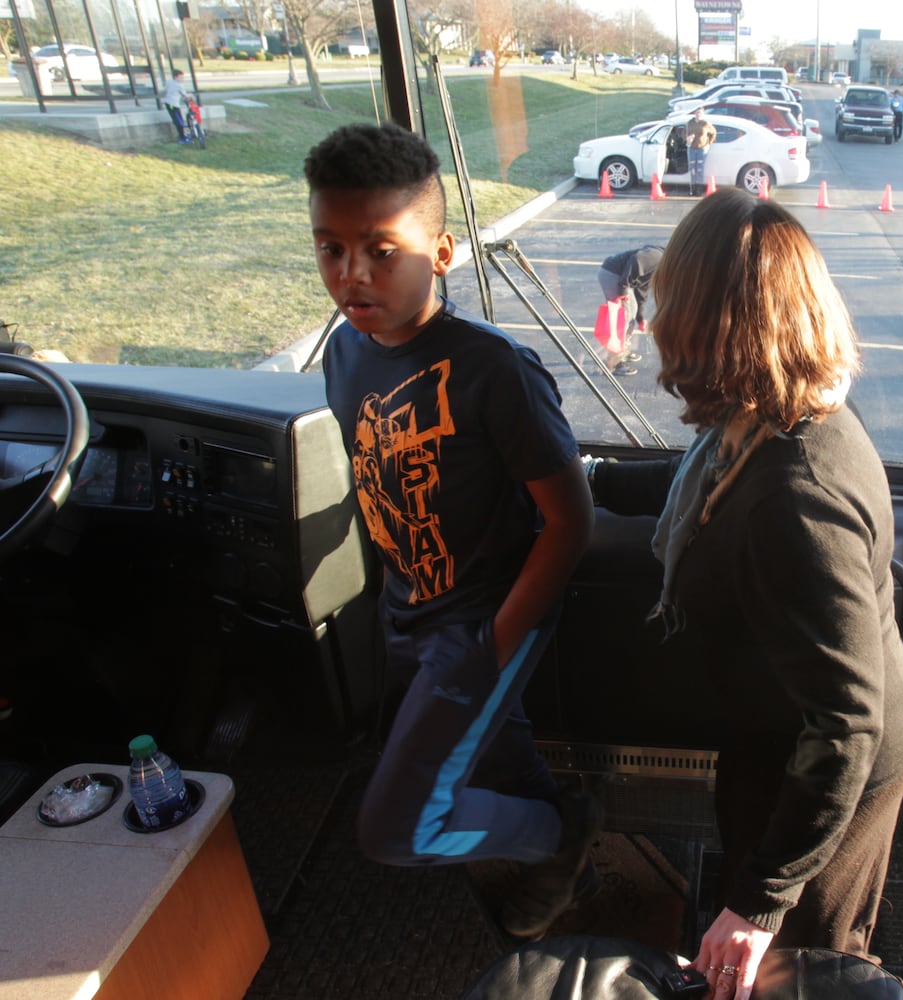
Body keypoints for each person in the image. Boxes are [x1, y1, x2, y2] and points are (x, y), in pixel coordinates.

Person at [587, 190, 903, 1000]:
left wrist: (759, 903)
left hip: (830, 762)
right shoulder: (767, 419)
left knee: (799, 970)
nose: (653, 317)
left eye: (667, 304)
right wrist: (592, 479)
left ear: (709, 330)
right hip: (776, 734)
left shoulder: (795, 500)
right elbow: (700, 480)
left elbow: (846, 724)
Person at [304, 122, 601, 942]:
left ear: (441, 253)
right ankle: (562, 853)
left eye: (380, 250)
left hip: (479, 623)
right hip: (408, 606)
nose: (352, 275)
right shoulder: (345, 353)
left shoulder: (494, 370)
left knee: (398, 829)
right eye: (330, 248)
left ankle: (561, 836)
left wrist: (495, 644)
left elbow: (567, 521)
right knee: (492, 753)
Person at [597, 244, 664, 376]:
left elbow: (641, 290)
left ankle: (623, 351)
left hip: (621, 278)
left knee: (632, 313)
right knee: (623, 319)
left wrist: (640, 316)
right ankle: (614, 363)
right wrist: (623, 290)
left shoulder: (661, 264)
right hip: (613, 274)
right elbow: (637, 259)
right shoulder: (658, 257)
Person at [686, 107, 716, 196]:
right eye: (697, 112)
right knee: (692, 169)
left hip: (702, 149)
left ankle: (699, 190)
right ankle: (693, 190)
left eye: (700, 113)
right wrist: (687, 138)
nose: (698, 114)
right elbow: (684, 133)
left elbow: (713, 133)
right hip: (691, 148)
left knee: (699, 169)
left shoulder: (706, 124)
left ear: (702, 114)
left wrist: (709, 143)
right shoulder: (689, 123)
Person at [162, 69, 190, 144]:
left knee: (178, 120)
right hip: (173, 105)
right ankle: (182, 138)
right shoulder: (179, 85)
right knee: (179, 121)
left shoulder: (169, 82)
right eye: (180, 77)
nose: (182, 79)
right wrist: (190, 95)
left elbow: (165, 90)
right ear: (175, 77)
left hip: (168, 103)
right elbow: (185, 95)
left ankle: (183, 135)